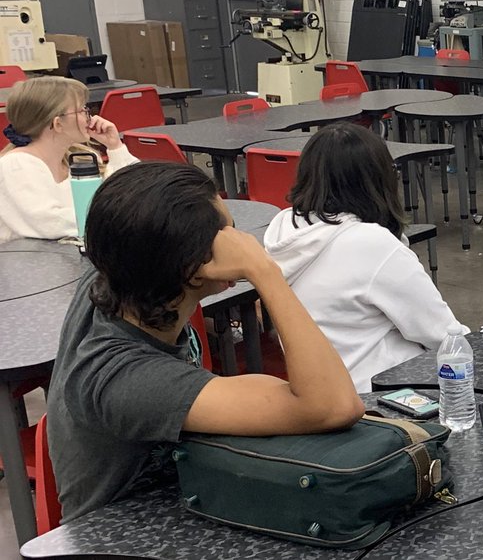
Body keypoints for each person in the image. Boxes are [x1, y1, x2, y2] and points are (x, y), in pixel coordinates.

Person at [47, 162, 364, 522]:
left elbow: (135, 207)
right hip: (124, 532)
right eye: (225, 233)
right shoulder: (127, 378)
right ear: (191, 267)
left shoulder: (116, 270)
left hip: (186, 494)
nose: (241, 242)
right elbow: (333, 405)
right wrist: (265, 272)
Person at [263, 122, 468, 392]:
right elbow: (442, 334)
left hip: (323, 392)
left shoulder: (283, 227)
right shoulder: (372, 244)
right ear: (377, 179)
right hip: (387, 392)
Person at [0, 76, 138, 243]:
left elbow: (135, 189)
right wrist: (122, 216)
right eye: (81, 111)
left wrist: (115, 147)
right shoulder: (17, 165)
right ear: (58, 124)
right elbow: (49, 224)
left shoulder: (80, 157)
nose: (89, 117)